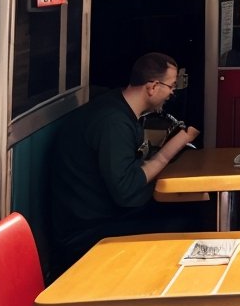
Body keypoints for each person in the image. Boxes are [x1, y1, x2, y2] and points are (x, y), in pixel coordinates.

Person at [51, 51, 201, 267]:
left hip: (100, 214)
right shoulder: (113, 123)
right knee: (185, 223)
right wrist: (171, 149)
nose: (172, 94)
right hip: (86, 233)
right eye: (171, 86)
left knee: (182, 211)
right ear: (152, 87)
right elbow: (127, 191)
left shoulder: (117, 106)